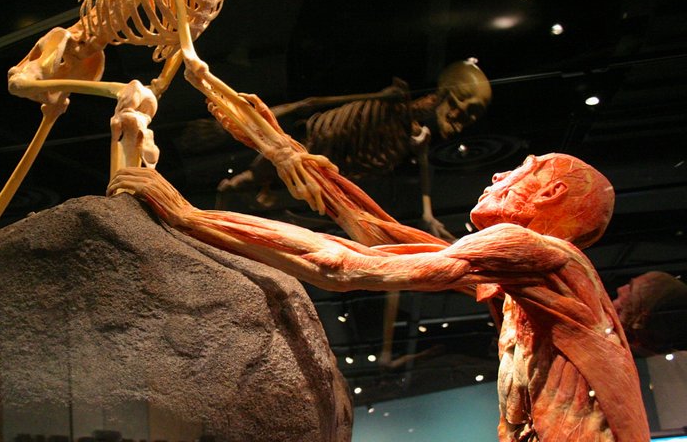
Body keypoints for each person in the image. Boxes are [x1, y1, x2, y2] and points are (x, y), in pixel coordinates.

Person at [108, 153, 649, 441]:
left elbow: (340, 266)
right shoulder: (528, 281)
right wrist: (280, 148)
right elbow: (378, 235)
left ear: (551, 194)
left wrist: (186, 215)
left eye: (521, 172)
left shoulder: (528, 248)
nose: (498, 173)